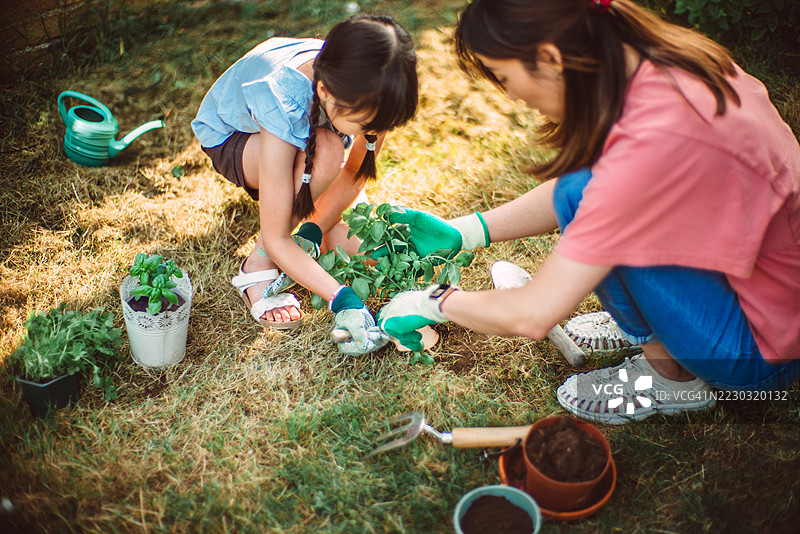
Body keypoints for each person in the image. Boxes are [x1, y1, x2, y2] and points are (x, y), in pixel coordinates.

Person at [376, 0, 800, 424]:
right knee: (578, 188)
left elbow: (532, 313)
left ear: (549, 58)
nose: (511, 95)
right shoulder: (663, 66)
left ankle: (670, 379)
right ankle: (658, 329)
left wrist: (434, 301)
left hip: (758, 351)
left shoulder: (647, 149)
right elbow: (584, 191)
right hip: (763, 295)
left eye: (505, 77)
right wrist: (466, 231)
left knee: (587, 202)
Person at [192, 14, 418, 354]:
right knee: (326, 154)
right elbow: (278, 236)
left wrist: (316, 227)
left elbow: (356, 172)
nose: (369, 133)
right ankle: (256, 266)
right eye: (363, 125)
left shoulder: (377, 86)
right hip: (236, 139)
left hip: (306, 128)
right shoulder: (285, 98)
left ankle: (313, 214)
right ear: (326, 93)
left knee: (355, 245)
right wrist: (342, 298)